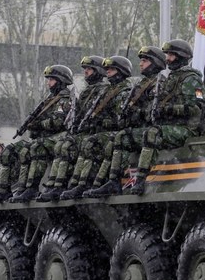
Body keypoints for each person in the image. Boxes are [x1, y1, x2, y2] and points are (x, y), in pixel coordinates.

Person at [85, 46, 167, 198]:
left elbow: (155, 111)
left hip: (151, 128)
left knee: (147, 134)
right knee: (120, 137)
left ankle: (140, 179)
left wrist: (137, 114)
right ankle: (112, 181)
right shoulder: (140, 84)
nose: (140, 64)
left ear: (155, 62)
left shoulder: (159, 83)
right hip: (136, 127)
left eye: (144, 61)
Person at [0, 64, 74, 204]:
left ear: (60, 80)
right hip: (44, 138)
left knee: (35, 148)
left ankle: (31, 187)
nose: (48, 83)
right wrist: (33, 127)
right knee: (9, 151)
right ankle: (4, 190)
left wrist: (38, 124)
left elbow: (58, 122)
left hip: (59, 137)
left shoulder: (64, 99)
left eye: (51, 79)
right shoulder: (49, 99)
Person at [28, 56, 107, 202]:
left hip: (91, 133)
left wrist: (40, 124)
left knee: (69, 146)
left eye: (89, 69)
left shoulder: (101, 91)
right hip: (80, 131)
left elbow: (58, 121)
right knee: (52, 146)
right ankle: (45, 185)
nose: (86, 72)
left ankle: (71, 184)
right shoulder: (85, 92)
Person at [56, 56, 132, 200]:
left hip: (108, 132)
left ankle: (88, 183)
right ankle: (67, 184)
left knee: (89, 143)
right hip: (91, 130)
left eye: (89, 69)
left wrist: (98, 122)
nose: (86, 72)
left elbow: (120, 118)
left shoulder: (120, 90)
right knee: (65, 144)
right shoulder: (99, 91)